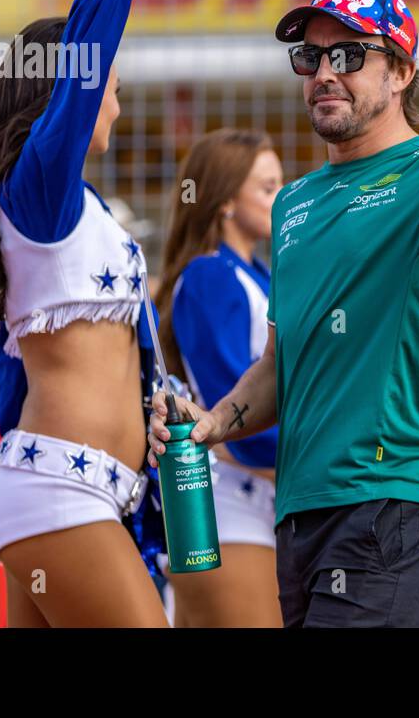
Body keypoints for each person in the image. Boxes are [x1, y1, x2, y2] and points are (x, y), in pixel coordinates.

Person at [149, 0, 419, 627]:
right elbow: (278, 366)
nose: (325, 72)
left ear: (402, 71)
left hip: (394, 498)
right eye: (311, 57)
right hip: (300, 511)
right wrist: (210, 424)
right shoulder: (292, 204)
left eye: (350, 54)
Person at [0, 0, 168, 626]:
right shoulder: (37, 193)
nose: (115, 102)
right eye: (109, 84)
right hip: (58, 488)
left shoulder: (80, 211)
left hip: (67, 489)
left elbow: (11, 367)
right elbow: (89, 52)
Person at [156, 129, 284, 627]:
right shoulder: (212, 276)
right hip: (223, 510)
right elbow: (230, 407)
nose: (282, 197)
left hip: (252, 504)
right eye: (267, 188)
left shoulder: (259, 274)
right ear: (226, 200)